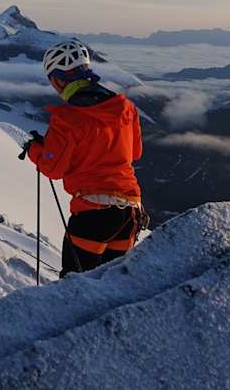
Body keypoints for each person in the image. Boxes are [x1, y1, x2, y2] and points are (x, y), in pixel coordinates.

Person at [25, 39, 146, 276]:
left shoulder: (67, 119)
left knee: (74, 288)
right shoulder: (125, 107)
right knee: (112, 287)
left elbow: (52, 169)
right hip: (130, 211)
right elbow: (135, 153)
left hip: (92, 214)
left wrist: (34, 150)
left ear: (57, 80)